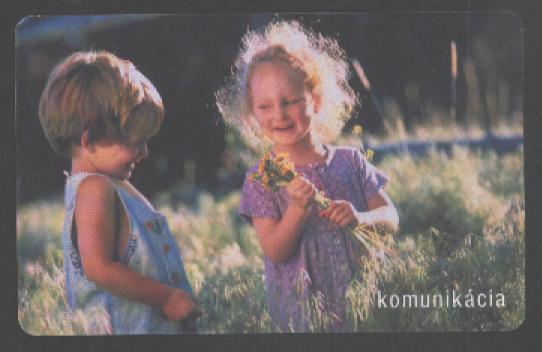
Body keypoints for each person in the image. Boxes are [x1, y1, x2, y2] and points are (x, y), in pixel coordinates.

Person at [216, 21, 399, 332]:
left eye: (289, 101)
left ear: (314, 100)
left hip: (361, 303)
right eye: (265, 106)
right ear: (252, 112)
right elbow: (275, 249)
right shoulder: (262, 178)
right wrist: (297, 211)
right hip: (303, 316)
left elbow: (391, 218)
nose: (279, 114)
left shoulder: (350, 161)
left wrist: (361, 219)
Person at [38, 51, 198, 334]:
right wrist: (168, 298)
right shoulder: (93, 189)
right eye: (137, 142)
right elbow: (98, 267)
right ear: (90, 139)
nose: (145, 152)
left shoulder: (109, 185)